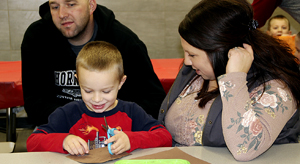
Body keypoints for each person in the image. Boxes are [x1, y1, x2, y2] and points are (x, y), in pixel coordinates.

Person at [158, 0, 300, 161]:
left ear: (221, 51)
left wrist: (234, 79)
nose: (187, 62)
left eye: (192, 55)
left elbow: (245, 150)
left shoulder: (275, 89)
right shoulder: (199, 72)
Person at [21, 0, 166, 126]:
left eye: (71, 4)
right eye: (55, 7)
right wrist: (76, 123)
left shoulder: (125, 42)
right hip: (59, 127)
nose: (62, 14)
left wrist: (112, 121)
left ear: (91, 5)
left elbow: (154, 100)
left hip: (117, 130)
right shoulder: (36, 38)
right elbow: (34, 103)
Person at [26, 41, 172, 155]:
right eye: (88, 91)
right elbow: (33, 142)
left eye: (106, 91)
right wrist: (63, 141)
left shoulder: (131, 112)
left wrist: (131, 140)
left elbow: (165, 137)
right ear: (78, 81)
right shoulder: (68, 113)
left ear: (121, 83)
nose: (97, 99)